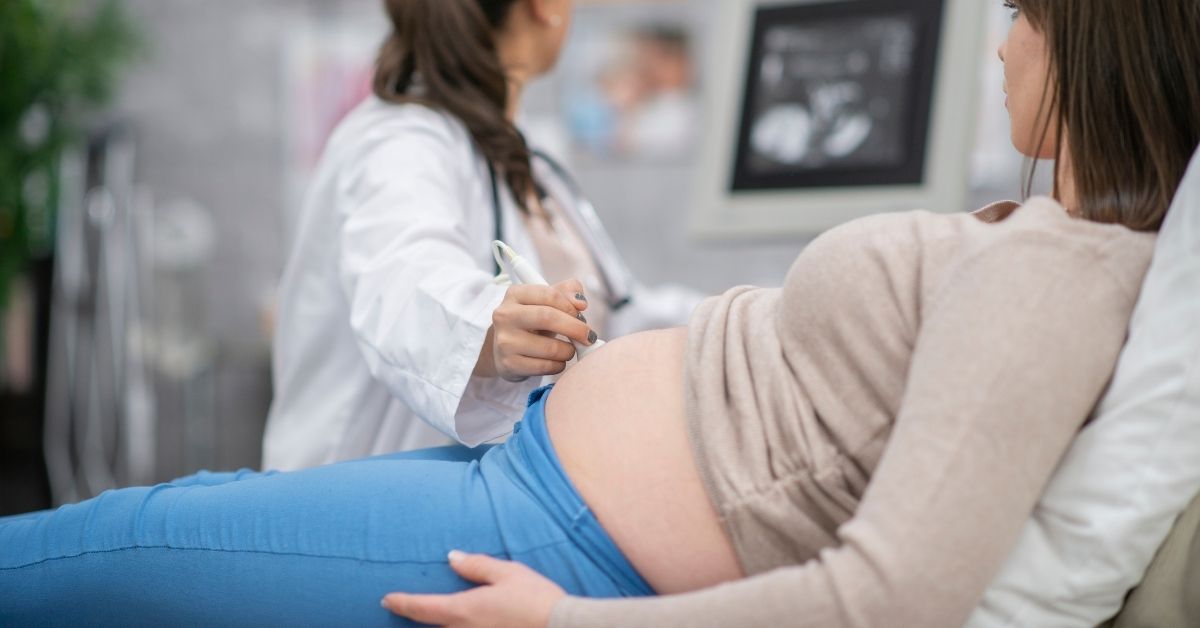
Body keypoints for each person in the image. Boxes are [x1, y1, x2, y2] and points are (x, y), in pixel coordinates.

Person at [2, 0, 1198, 625]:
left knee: (113, 553)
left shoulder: (1059, 276)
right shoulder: (1027, 243)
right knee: (154, 530)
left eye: (1023, 16)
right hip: (530, 481)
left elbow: (889, 600)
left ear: (1095, 40)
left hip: (553, 536)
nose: (1001, 49)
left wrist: (566, 623)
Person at [263, 0, 702, 470]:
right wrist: (488, 329)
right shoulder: (399, 144)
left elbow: (613, 315)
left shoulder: (519, 151)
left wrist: (734, 321)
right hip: (355, 496)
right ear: (546, 7)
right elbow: (403, 283)